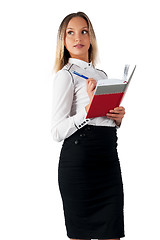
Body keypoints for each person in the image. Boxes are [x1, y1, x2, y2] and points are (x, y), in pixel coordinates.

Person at [51, 11, 125, 240]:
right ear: (63, 41)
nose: (78, 38)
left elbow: (105, 119)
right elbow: (56, 131)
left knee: (112, 233)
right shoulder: (66, 75)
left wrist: (117, 118)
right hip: (79, 164)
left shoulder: (102, 74)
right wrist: (88, 109)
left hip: (108, 161)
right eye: (70, 33)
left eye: (84, 31)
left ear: (91, 37)